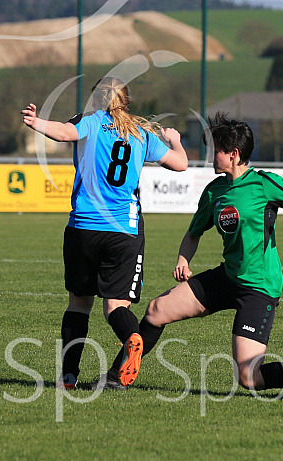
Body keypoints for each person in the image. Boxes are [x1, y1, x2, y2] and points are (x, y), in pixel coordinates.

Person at [100, 113, 283, 397]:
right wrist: (183, 259)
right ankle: (116, 377)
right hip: (228, 277)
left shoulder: (264, 184)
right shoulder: (214, 192)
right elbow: (193, 233)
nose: (211, 156)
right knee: (156, 311)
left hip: (258, 287)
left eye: (217, 151)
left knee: (249, 378)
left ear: (234, 154)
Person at [22, 76, 188, 389]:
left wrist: (36, 122)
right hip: (124, 232)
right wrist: (174, 140)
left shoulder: (90, 122)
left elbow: (63, 132)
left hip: (84, 227)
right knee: (116, 306)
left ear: (97, 100)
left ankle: (69, 377)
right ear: (126, 101)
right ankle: (132, 337)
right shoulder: (142, 133)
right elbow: (180, 164)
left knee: (78, 304)